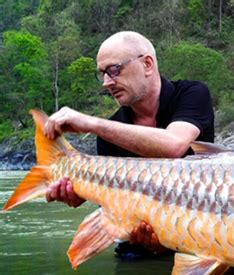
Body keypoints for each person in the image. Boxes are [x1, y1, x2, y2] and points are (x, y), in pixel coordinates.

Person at [44, 31, 214, 258]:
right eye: (102, 74)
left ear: (147, 64)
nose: (106, 83)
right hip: (140, 246)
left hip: (203, 233)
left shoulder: (192, 94)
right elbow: (112, 209)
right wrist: (79, 195)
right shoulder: (109, 134)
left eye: (114, 70)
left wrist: (91, 123)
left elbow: (174, 146)